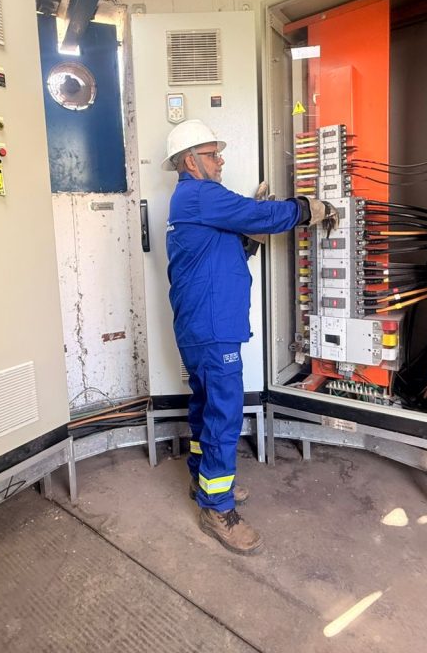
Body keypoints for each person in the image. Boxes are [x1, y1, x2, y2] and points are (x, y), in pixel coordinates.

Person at [162, 119, 338, 555]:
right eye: (212, 154)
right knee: (224, 414)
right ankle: (217, 509)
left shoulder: (191, 202)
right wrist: (308, 208)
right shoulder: (200, 195)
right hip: (212, 326)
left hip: (202, 325)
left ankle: (203, 480)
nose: (220, 161)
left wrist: (250, 237)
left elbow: (226, 250)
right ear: (190, 162)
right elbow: (262, 216)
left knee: (205, 406)